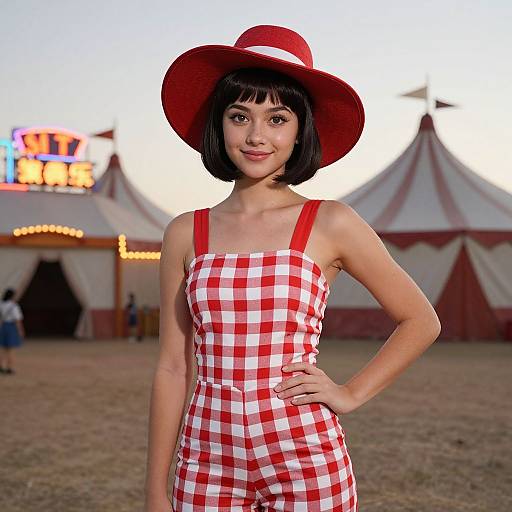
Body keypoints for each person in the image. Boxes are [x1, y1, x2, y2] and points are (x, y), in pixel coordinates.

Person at [144, 25, 441, 512]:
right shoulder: (184, 232)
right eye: (240, 116)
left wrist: (349, 393)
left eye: (277, 118)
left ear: (301, 128)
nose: (257, 135)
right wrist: (156, 491)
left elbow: (421, 320)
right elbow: (173, 367)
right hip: (206, 459)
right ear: (219, 125)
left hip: (304, 454)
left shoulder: (331, 222)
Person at [0, 287, 25, 375]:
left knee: (3, 348)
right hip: (11, 327)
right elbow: (17, 320)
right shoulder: (14, 306)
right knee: (11, 349)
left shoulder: (1, 304)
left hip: (3, 327)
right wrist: (21, 331)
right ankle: (9, 367)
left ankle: (1, 366)